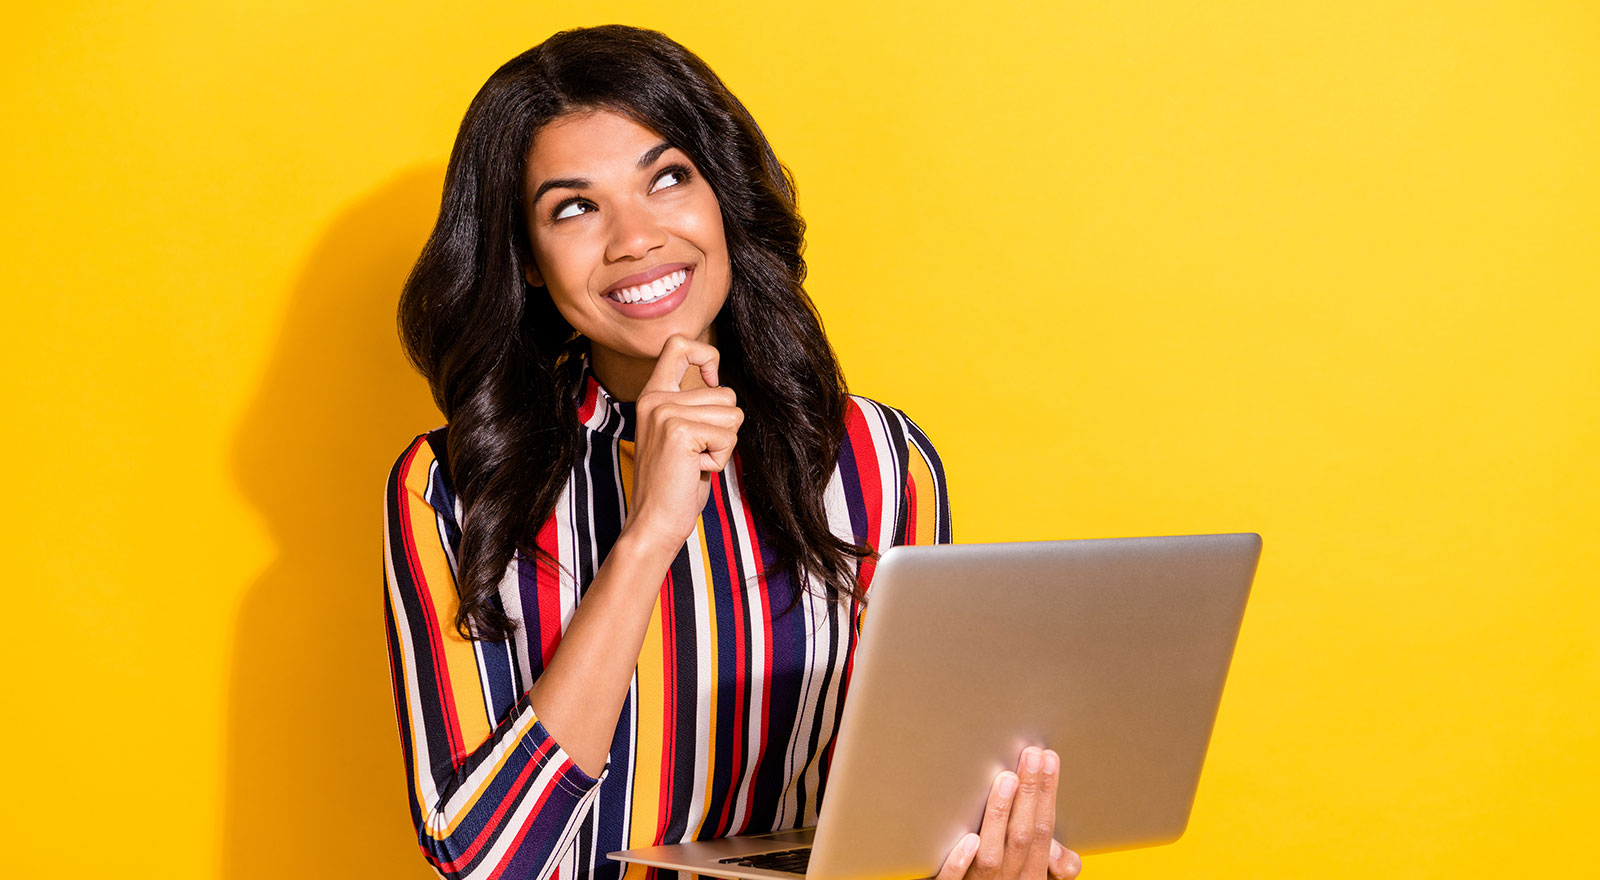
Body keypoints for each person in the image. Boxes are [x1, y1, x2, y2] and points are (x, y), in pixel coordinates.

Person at [383, 24, 1083, 880]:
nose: (634, 238)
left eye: (668, 178)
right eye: (575, 207)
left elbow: (907, 798)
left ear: (723, 195)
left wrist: (979, 860)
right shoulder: (450, 486)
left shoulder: (879, 458)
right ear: (527, 261)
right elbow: (485, 855)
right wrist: (647, 537)